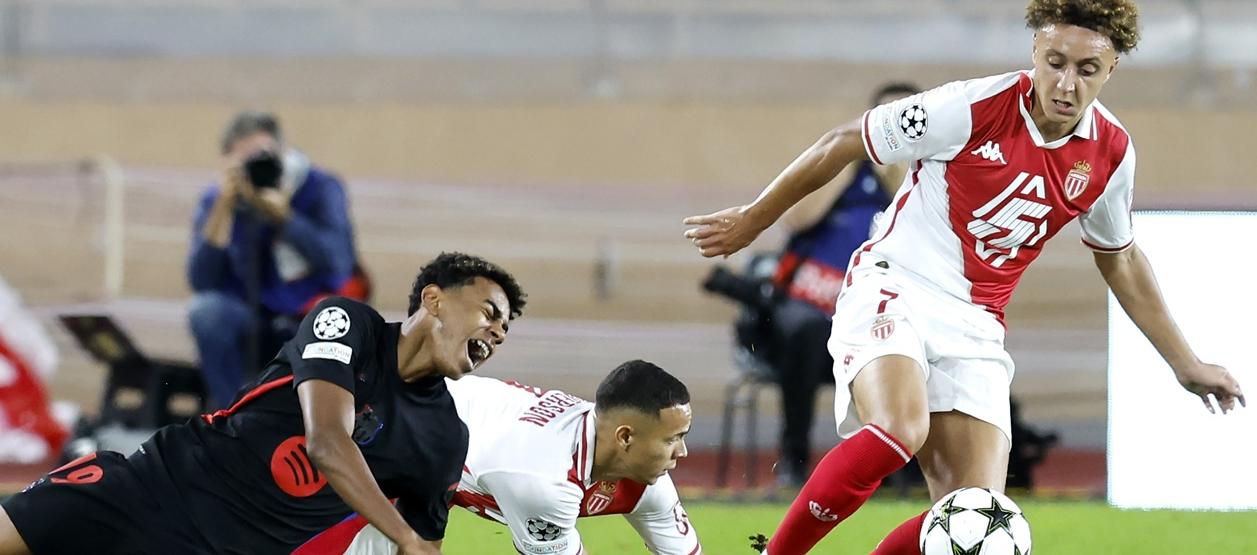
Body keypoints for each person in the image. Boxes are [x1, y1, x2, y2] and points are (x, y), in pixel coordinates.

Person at [682, 2, 1246, 553]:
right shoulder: (971, 106)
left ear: (1112, 69)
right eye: (1055, 62)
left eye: (1087, 69)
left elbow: (1119, 257)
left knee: (976, 516)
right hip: (896, 285)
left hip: (976, 324)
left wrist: (1186, 363)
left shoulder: (1111, 153)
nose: (1066, 83)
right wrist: (753, 219)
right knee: (900, 429)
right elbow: (845, 140)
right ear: (1035, 50)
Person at [0, 252, 526, 555]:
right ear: (434, 298)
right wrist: (405, 537)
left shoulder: (444, 439)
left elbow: (423, 548)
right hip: (148, 486)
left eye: (503, 330)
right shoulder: (347, 323)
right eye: (489, 313)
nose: (497, 333)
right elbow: (326, 442)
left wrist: (414, 543)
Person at [297, 360, 703, 555]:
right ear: (625, 436)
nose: (682, 452)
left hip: (445, 459)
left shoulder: (647, 478)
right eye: (673, 439)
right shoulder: (544, 479)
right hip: (392, 443)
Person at [769, 82, 920, 487]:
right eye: (885, 118)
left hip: (886, 316)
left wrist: (897, 178)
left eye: (904, 117)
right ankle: (793, 460)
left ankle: (900, 468)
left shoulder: (929, 183)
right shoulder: (842, 168)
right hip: (816, 311)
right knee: (803, 331)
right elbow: (796, 220)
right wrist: (849, 161)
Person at [188, 110, 364, 408]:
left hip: (307, 312)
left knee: (332, 322)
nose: (257, 168)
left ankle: (316, 418)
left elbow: (338, 262)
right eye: (246, 162)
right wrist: (223, 208)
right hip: (250, 313)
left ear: (282, 153)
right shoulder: (219, 199)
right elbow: (202, 282)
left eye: (264, 157)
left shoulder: (319, 187)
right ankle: (235, 415)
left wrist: (286, 218)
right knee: (206, 312)